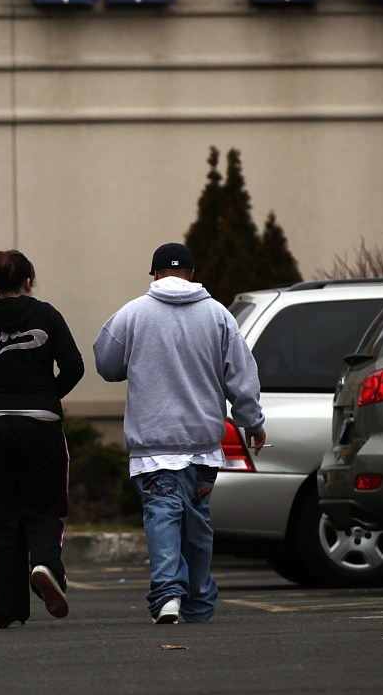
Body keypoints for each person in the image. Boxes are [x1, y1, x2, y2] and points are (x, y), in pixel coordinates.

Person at [92, 242, 266, 624]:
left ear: (154, 273)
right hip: (203, 445)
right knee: (197, 522)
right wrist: (252, 421)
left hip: (154, 444)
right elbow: (242, 375)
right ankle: (199, 603)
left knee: (162, 514)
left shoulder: (132, 314)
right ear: (191, 273)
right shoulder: (219, 315)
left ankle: (168, 593)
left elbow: (106, 363)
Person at [0, 249, 86, 629]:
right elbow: (74, 367)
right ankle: (45, 563)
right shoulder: (47, 315)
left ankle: (8, 608)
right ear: (29, 281)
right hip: (41, 424)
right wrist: (46, 396)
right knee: (44, 504)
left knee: (2, 515)